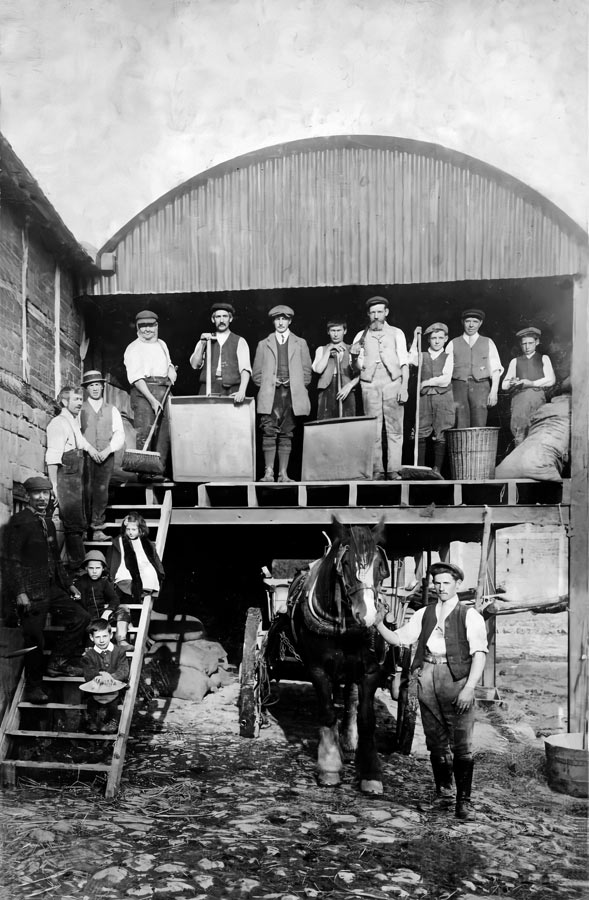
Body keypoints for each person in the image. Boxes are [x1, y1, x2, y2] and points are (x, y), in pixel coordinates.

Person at [376, 562, 487, 820]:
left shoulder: (469, 615)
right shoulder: (424, 613)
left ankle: (464, 803)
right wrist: (379, 625)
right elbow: (400, 638)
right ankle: (443, 794)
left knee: (462, 745)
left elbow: (479, 654)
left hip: (457, 679)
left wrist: (469, 688)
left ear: (458, 584)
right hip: (426, 677)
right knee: (435, 743)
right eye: (437, 583)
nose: (441, 587)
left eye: (447, 583)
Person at [6, 475, 90, 701]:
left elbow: (55, 559)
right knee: (35, 640)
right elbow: (11, 562)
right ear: (27, 496)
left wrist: (69, 586)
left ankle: (57, 662)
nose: (42, 498)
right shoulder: (19, 522)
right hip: (31, 592)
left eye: (46, 493)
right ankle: (34, 687)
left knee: (80, 617)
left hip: (51, 587)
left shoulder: (49, 523)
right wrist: (20, 592)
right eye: (37, 493)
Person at [350, 296, 409, 480]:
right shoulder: (360, 336)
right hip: (370, 384)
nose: (376, 316)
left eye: (379, 312)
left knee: (395, 428)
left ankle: (393, 470)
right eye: (373, 312)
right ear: (368, 314)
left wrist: (404, 387)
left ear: (386, 312)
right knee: (373, 429)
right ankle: (377, 470)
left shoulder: (397, 333)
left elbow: (404, 362)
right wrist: (353, 358)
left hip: (393, 383)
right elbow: (356, 367)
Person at [252, 305, 312, 482]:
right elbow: (256, 374)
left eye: (284, 319)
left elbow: (307, 373)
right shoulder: (264, 344)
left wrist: (296, 386)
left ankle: (283, 474)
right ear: (273, 321)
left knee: (287, 433)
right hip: (271, 395)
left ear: (290, 321)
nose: (280, 322)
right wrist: (271, 383)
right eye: (277, 319)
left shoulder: (300, 343)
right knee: (269, 432)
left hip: (292, 395)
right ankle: (269, 472)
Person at [46, 385, 101, 571]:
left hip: (77, 477)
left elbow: (81, 441)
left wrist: (92, 450)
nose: (80, 403)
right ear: (64, 402)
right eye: (76, 400)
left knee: (80, 522)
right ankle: (79, 569)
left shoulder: (72, 421)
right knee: (73, 525)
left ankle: (78, 565)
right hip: (66, 478)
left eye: (80, 399)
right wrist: (54, 486)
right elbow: (53, 458)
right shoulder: (57, 424)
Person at [123, 310, 177, 480]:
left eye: (150, 326)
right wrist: (152, 400)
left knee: (164, 432)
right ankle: (144, 472)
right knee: (145, 431)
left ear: (156, 326)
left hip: (164, 389)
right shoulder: (133, 348)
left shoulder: (162, 344)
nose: (147, 330)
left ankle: (158, 471)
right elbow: (136, 379)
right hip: (144, 392)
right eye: (142, 326)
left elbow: (168, 363)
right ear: (137, 328)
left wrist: (170, 371)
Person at [80, 370, 125, 541]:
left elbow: (119, 433)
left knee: (101, 492)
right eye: (91, 385)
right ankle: (84, 530)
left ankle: (97, 529)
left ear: (103, 386)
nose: (95, 388)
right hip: (85, 456)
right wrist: (90, 449)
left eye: (97, 385)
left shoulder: (111, 409)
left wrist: (108, 450)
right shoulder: (80, 408)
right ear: (86, 389)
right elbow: (77, 434)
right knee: (85, 491)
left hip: (106, 457)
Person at [408, 322, 455, 477]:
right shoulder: (422, 355)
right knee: (421, 430)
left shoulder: (448, 356)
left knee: (441, 431)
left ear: (446, 339)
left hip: (443, 397)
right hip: (424, 398)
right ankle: (420, 469)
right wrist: (415, 338)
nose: (436, 341)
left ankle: (437, 469)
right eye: (433, 338)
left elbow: (446, 379)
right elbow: (410, 358)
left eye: (440, 338)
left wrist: (426, 382)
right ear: (428, 339)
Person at [501, 326, 556, 445]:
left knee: (536, 430)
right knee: (519, 433)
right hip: (519, 401)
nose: (527, 347)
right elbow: (504, 385)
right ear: (520, 345)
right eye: (524, 344)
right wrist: (511, 383)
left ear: (537, 342)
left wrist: (531, 383)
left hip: (536, 398)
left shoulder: (543, 359)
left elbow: (551, 380)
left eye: (530, 343)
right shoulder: (515, 361)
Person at [449, 309, 503, 428]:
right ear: (463, 322)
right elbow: (446, 371)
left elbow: (495, 369)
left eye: (475, 321)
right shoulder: (453, 343)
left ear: (480, 323)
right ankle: (461, 447)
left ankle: (477, 447)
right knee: (460, 421)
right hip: (458, 387)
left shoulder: (488, 342)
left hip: (481, 386)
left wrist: (494, 392)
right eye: (468, 321)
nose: (471, 325)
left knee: (479, 421)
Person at [189, 301, 251, 402]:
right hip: (208, 389)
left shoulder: (240, 341)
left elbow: (245, 369)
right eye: (218, 317)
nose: (221, 320)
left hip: (232, 390)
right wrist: (202, 344)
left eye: (225, 316)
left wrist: (242, 391)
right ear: (213, 319)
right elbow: (194, 365)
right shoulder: (205, 339)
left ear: (230, 319)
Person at [74, 550, 133, 652]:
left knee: (123, 609)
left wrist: (108, 611)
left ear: (102, 568)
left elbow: (114, 598)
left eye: (98, 568)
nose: (95, 571)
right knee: (91, 649)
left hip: (102, 615)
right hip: (88, 619)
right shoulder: (80, 582)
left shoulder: (104, 582)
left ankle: (121, 639)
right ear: (86, 568)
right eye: (91, 568)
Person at [81, 619, 130, 733]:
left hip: (114, 685)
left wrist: (111, 676)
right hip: (96, 686)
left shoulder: (119, 652)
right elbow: (88, 672)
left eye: (105, 636)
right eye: (97, 637)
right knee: (90, 700)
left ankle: (112, 722)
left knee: (113, 702)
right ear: (91, 638)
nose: (102, 640)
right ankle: (91, 721)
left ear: (111, 635)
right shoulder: (89, 654)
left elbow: (123, 670)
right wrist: (100, 675)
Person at [110, 512, 165, 609]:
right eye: (128, 529)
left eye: (134, 529)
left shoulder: (145, 542)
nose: (130, 532)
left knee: (149, 572)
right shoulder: (121, 541)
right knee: (126, 575)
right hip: (127, 565)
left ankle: (144, 590)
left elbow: (153, 558)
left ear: (140, 530)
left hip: (143, 565)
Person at [312, 317, 358, 420]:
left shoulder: (352, 349)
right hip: (326, 392)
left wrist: (349, 386)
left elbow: (360, 374)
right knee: (325, 424)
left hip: (346, 391)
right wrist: (328, 351)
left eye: (339, 330)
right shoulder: (321, 349)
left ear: (345, 331)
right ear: (328, 332)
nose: (336, 334)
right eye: (333, 331)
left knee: (347, 425)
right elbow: (319, 370)